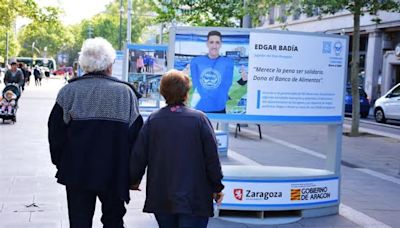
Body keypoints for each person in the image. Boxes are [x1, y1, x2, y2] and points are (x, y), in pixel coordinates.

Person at [48, 37, 143, 228]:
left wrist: (62, 162)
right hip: (114, 172)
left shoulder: (69, 92)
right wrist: (133, 176)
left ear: (84, 64)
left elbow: (55, 134)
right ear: (109, 64)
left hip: (77, 170)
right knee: (114, 221)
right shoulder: (126, 93)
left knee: (79, 221)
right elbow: (136, 138)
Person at [130, 69, 224, 228]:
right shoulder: (200, 119)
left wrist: (133, 180)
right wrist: (217, 186)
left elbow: (139, 155)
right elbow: (212, 158)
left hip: (162, 196)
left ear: (162, 92)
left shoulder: (153, 120)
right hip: (195, 198)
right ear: (186, 93)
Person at [190, 31, 247, 113]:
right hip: (199, 108)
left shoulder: (228, 63)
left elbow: (239, 83)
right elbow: (190, 84)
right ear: (207, 44)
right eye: (211, 42)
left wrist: (244, 79)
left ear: (221, 44)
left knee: (221, 125)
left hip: (220, 107)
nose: (214, 46)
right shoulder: (196, 62)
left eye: (217, 42)